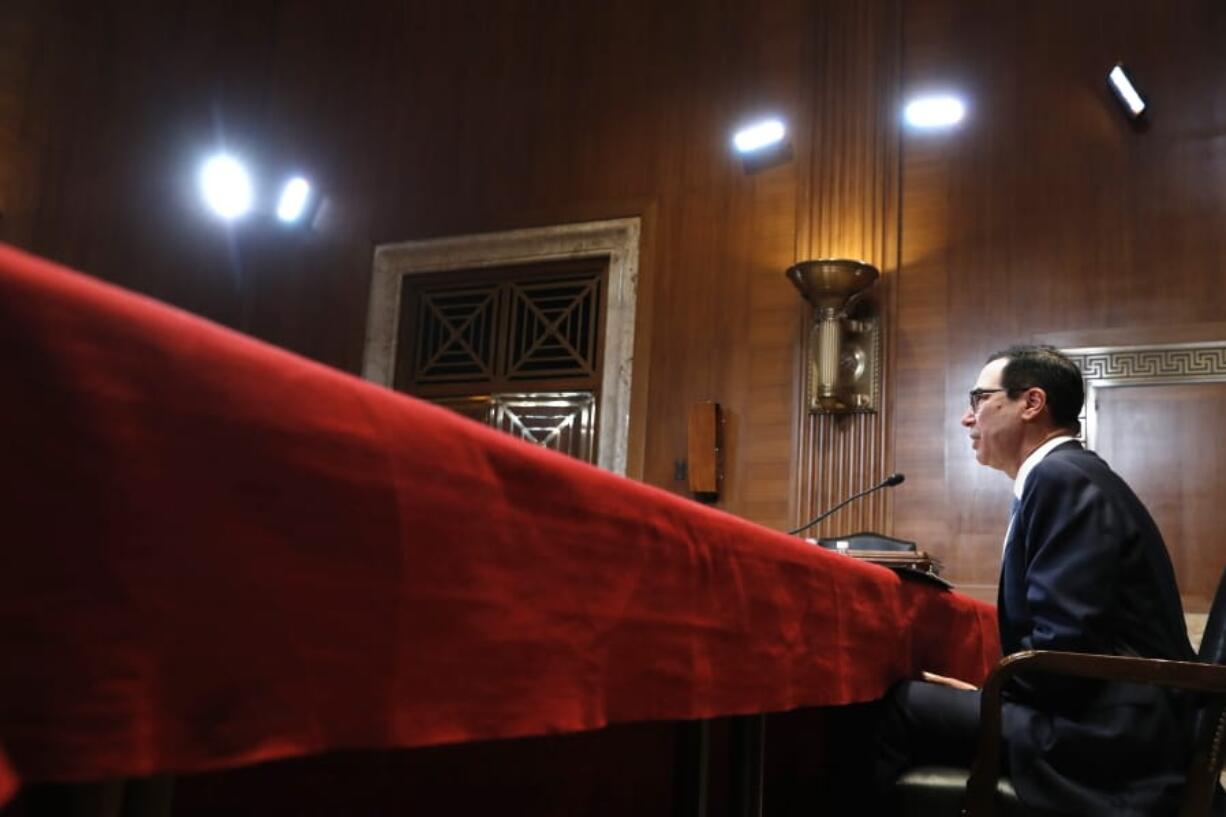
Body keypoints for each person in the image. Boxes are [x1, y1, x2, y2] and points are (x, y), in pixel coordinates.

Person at [876, 344, 1198, 815]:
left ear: (1031, 403)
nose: (968, 419)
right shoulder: (1068, 474)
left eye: (979, 399)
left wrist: (991, 696)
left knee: (898, 704)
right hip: (1118, 719)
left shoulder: (1061, 478)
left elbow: (1067, 646)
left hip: (1108, 735)